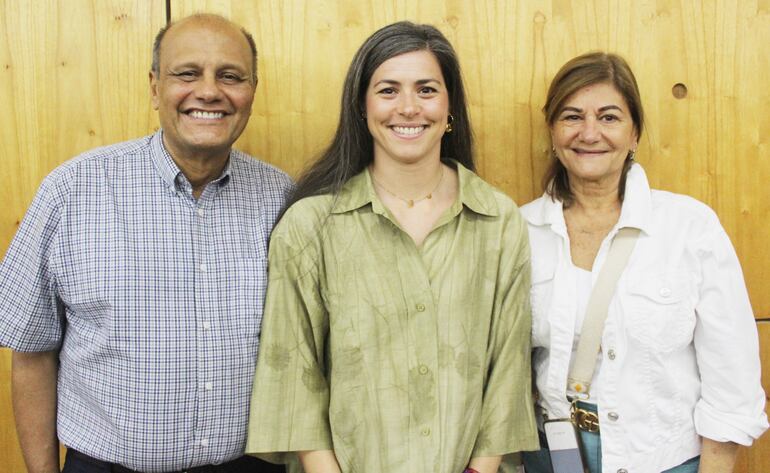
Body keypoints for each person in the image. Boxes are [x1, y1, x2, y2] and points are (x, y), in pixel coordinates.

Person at [0, 13, 293, 473]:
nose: (210, 91)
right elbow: (32, 352)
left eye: (231, 76)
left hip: (251, 464)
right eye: (187, 73)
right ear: (155, 87)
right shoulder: (72, 191)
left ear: (252, 91)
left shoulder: (284, 200)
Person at [244, 21, 538, 473]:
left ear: (449, 107)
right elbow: (295, 377)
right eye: (387, 90)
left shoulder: (498, 222)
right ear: (362, 107)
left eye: (426, 90)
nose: (407, 108)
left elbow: (508, 369)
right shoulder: (311, 227)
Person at [520, 52, 768, 473]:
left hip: (665, 461)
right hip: (553, 458)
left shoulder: (690, 228)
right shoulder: (520, 231)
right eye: (572, 116)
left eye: (610, 117)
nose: (589, 132)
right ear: (553, 130)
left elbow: (733, 381)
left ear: (635, 133)